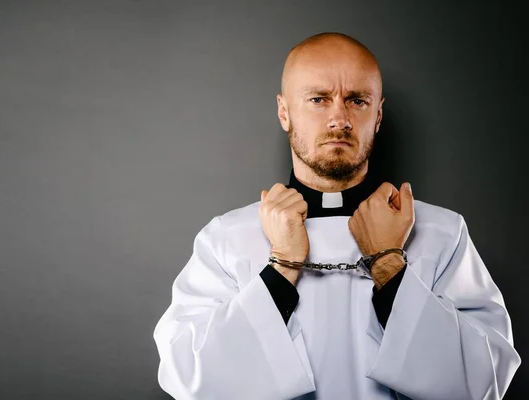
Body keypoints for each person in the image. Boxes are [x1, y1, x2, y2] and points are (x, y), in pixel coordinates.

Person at [152, 32, 521, 399]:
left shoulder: (442, 232)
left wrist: (388, 263)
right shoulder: (226, 238)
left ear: (377, 115)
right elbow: (190, 377)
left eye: (357, 101)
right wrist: (281, 268)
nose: (339, 119)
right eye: (318, 99)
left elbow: (484, 382)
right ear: (284, 112)